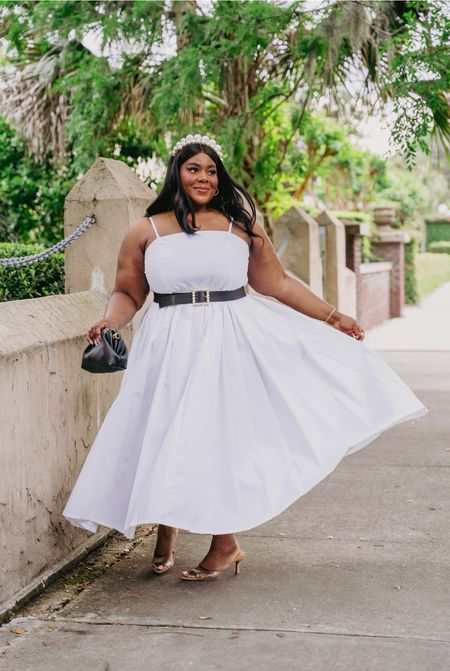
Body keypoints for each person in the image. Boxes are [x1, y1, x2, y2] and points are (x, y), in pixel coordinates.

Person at [63, 133, 428, 582]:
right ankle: (166, 529)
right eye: (194, 168)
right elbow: (128, 291)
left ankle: (224, 544)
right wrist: (110, 322)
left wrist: (332, 316)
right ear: (176, 171)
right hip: (168, 340)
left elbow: (278, 283)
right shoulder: (147, 229)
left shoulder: (240, 225)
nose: (204, 177)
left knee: (217, 436)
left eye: (212, 170)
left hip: (228, 339)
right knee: (164, 430)